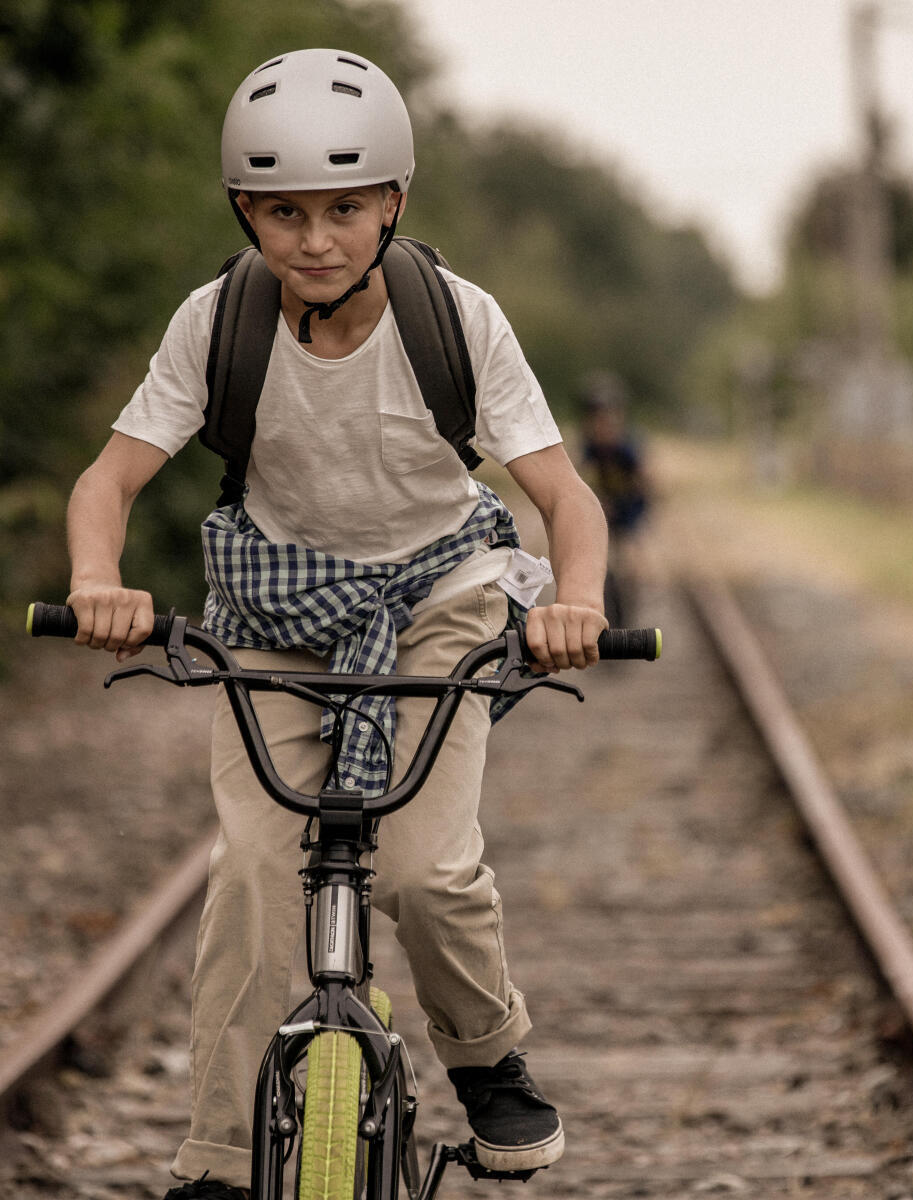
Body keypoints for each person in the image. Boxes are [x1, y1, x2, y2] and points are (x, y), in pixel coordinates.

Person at [62, 49, 609, 1200]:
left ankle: (488, 1056)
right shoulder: (217, 324)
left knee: (418, 867)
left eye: (345, 209)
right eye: (285, 212)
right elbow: (107, 483)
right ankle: (217, 1164)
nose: (316, 239)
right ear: (245, 212)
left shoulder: (455, 321)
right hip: (274, 606)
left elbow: (565, 498)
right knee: (257, 876)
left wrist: (577, 605)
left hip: (443, 595)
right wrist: (97, 579)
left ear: (395, 203)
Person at [577, 374, 651, 627]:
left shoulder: (628, 446)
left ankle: (630, 599)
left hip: (628, 508)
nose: (603, 425)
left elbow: (644, 479)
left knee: (630, 561)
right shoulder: (590, 446)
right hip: (604, 507)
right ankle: (606, 605)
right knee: (602, 562)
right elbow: (581, 476)